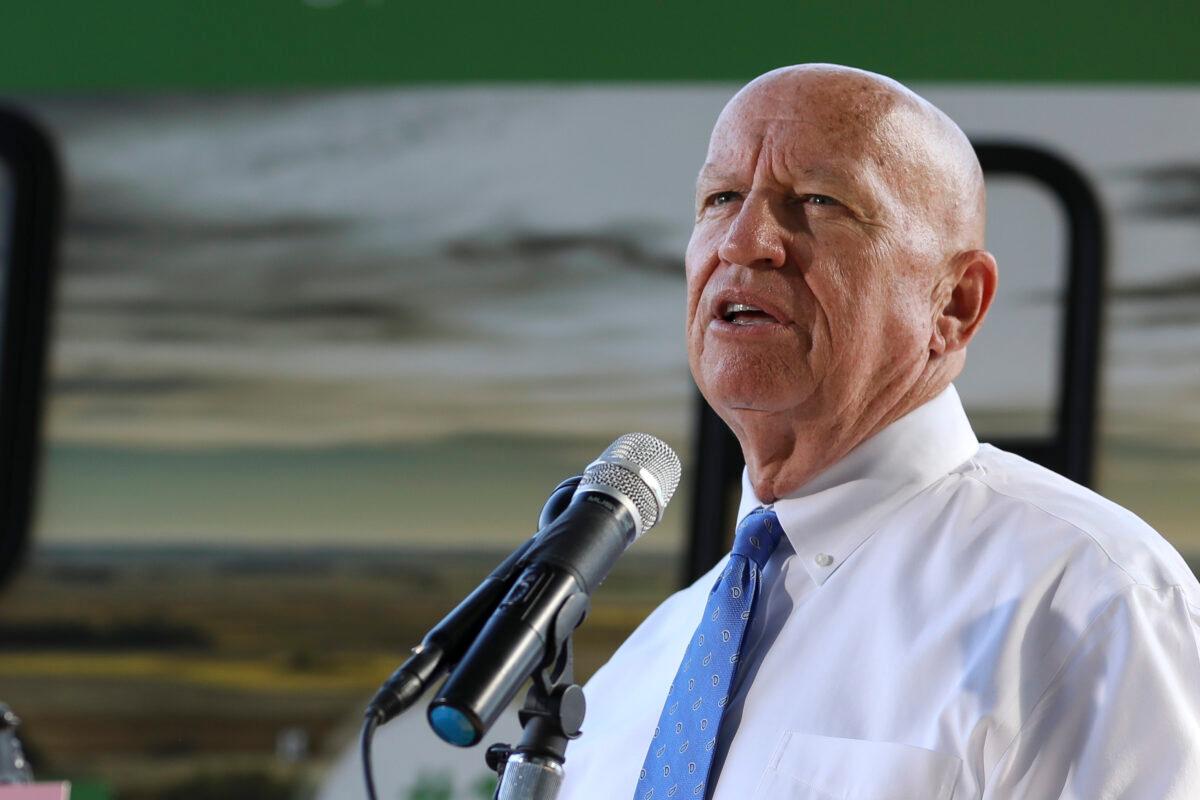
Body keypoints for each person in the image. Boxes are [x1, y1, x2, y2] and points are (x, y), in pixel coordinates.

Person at [557, 64, 1200, 800]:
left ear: (955, 303)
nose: (745, 242)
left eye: (819, 202)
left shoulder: (1089, 601)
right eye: (721, 197)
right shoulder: (645, 671)